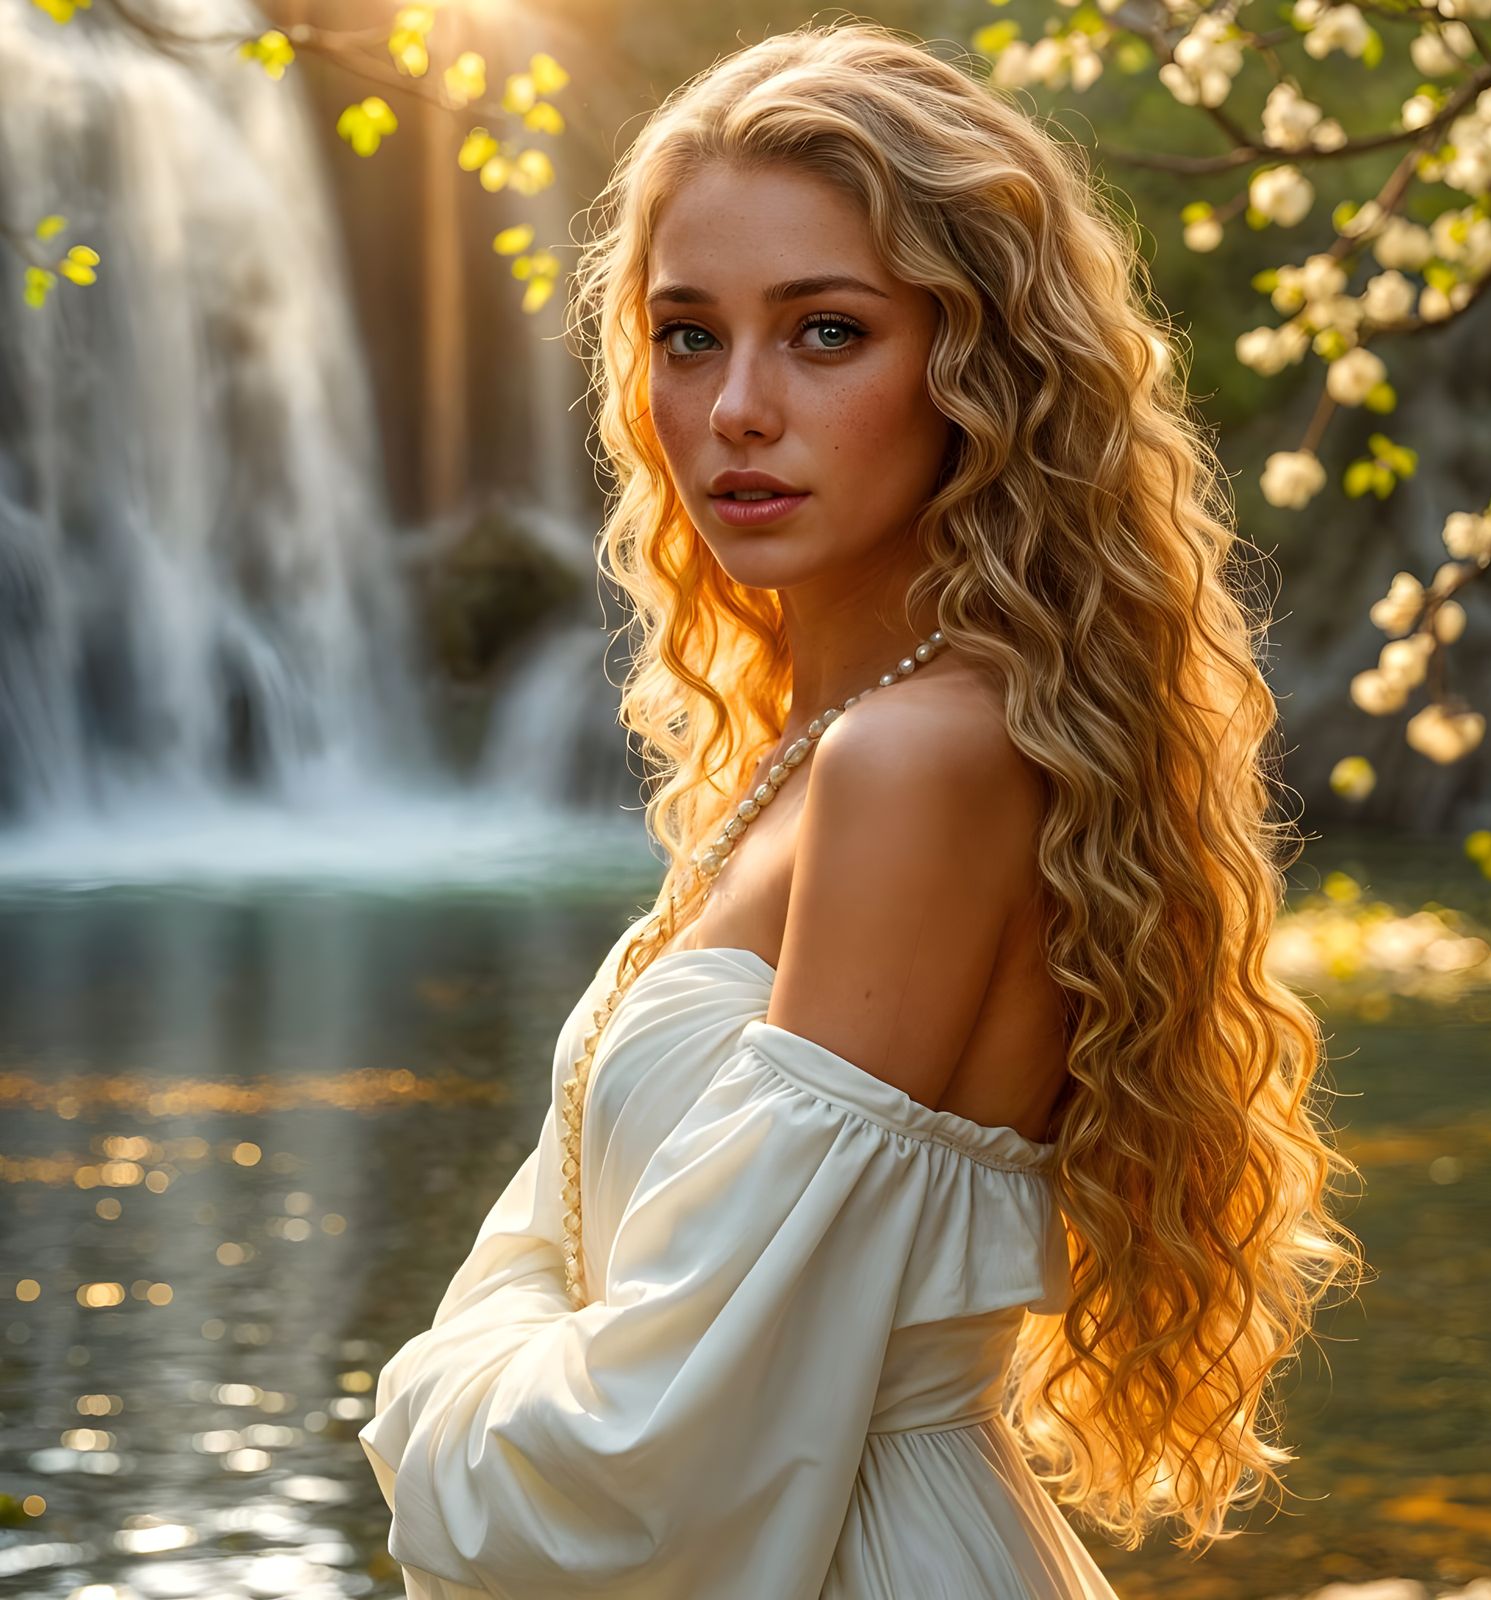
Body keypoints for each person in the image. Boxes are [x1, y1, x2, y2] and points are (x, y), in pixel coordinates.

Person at [358, 19, 1365, 1598]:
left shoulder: (919, 763)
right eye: (688, 337)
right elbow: (611, 1292)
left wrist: (422, 1400)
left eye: (826, 333)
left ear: (979, 370)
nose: (739, 408)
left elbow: (651, 1462)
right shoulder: (824, 743)